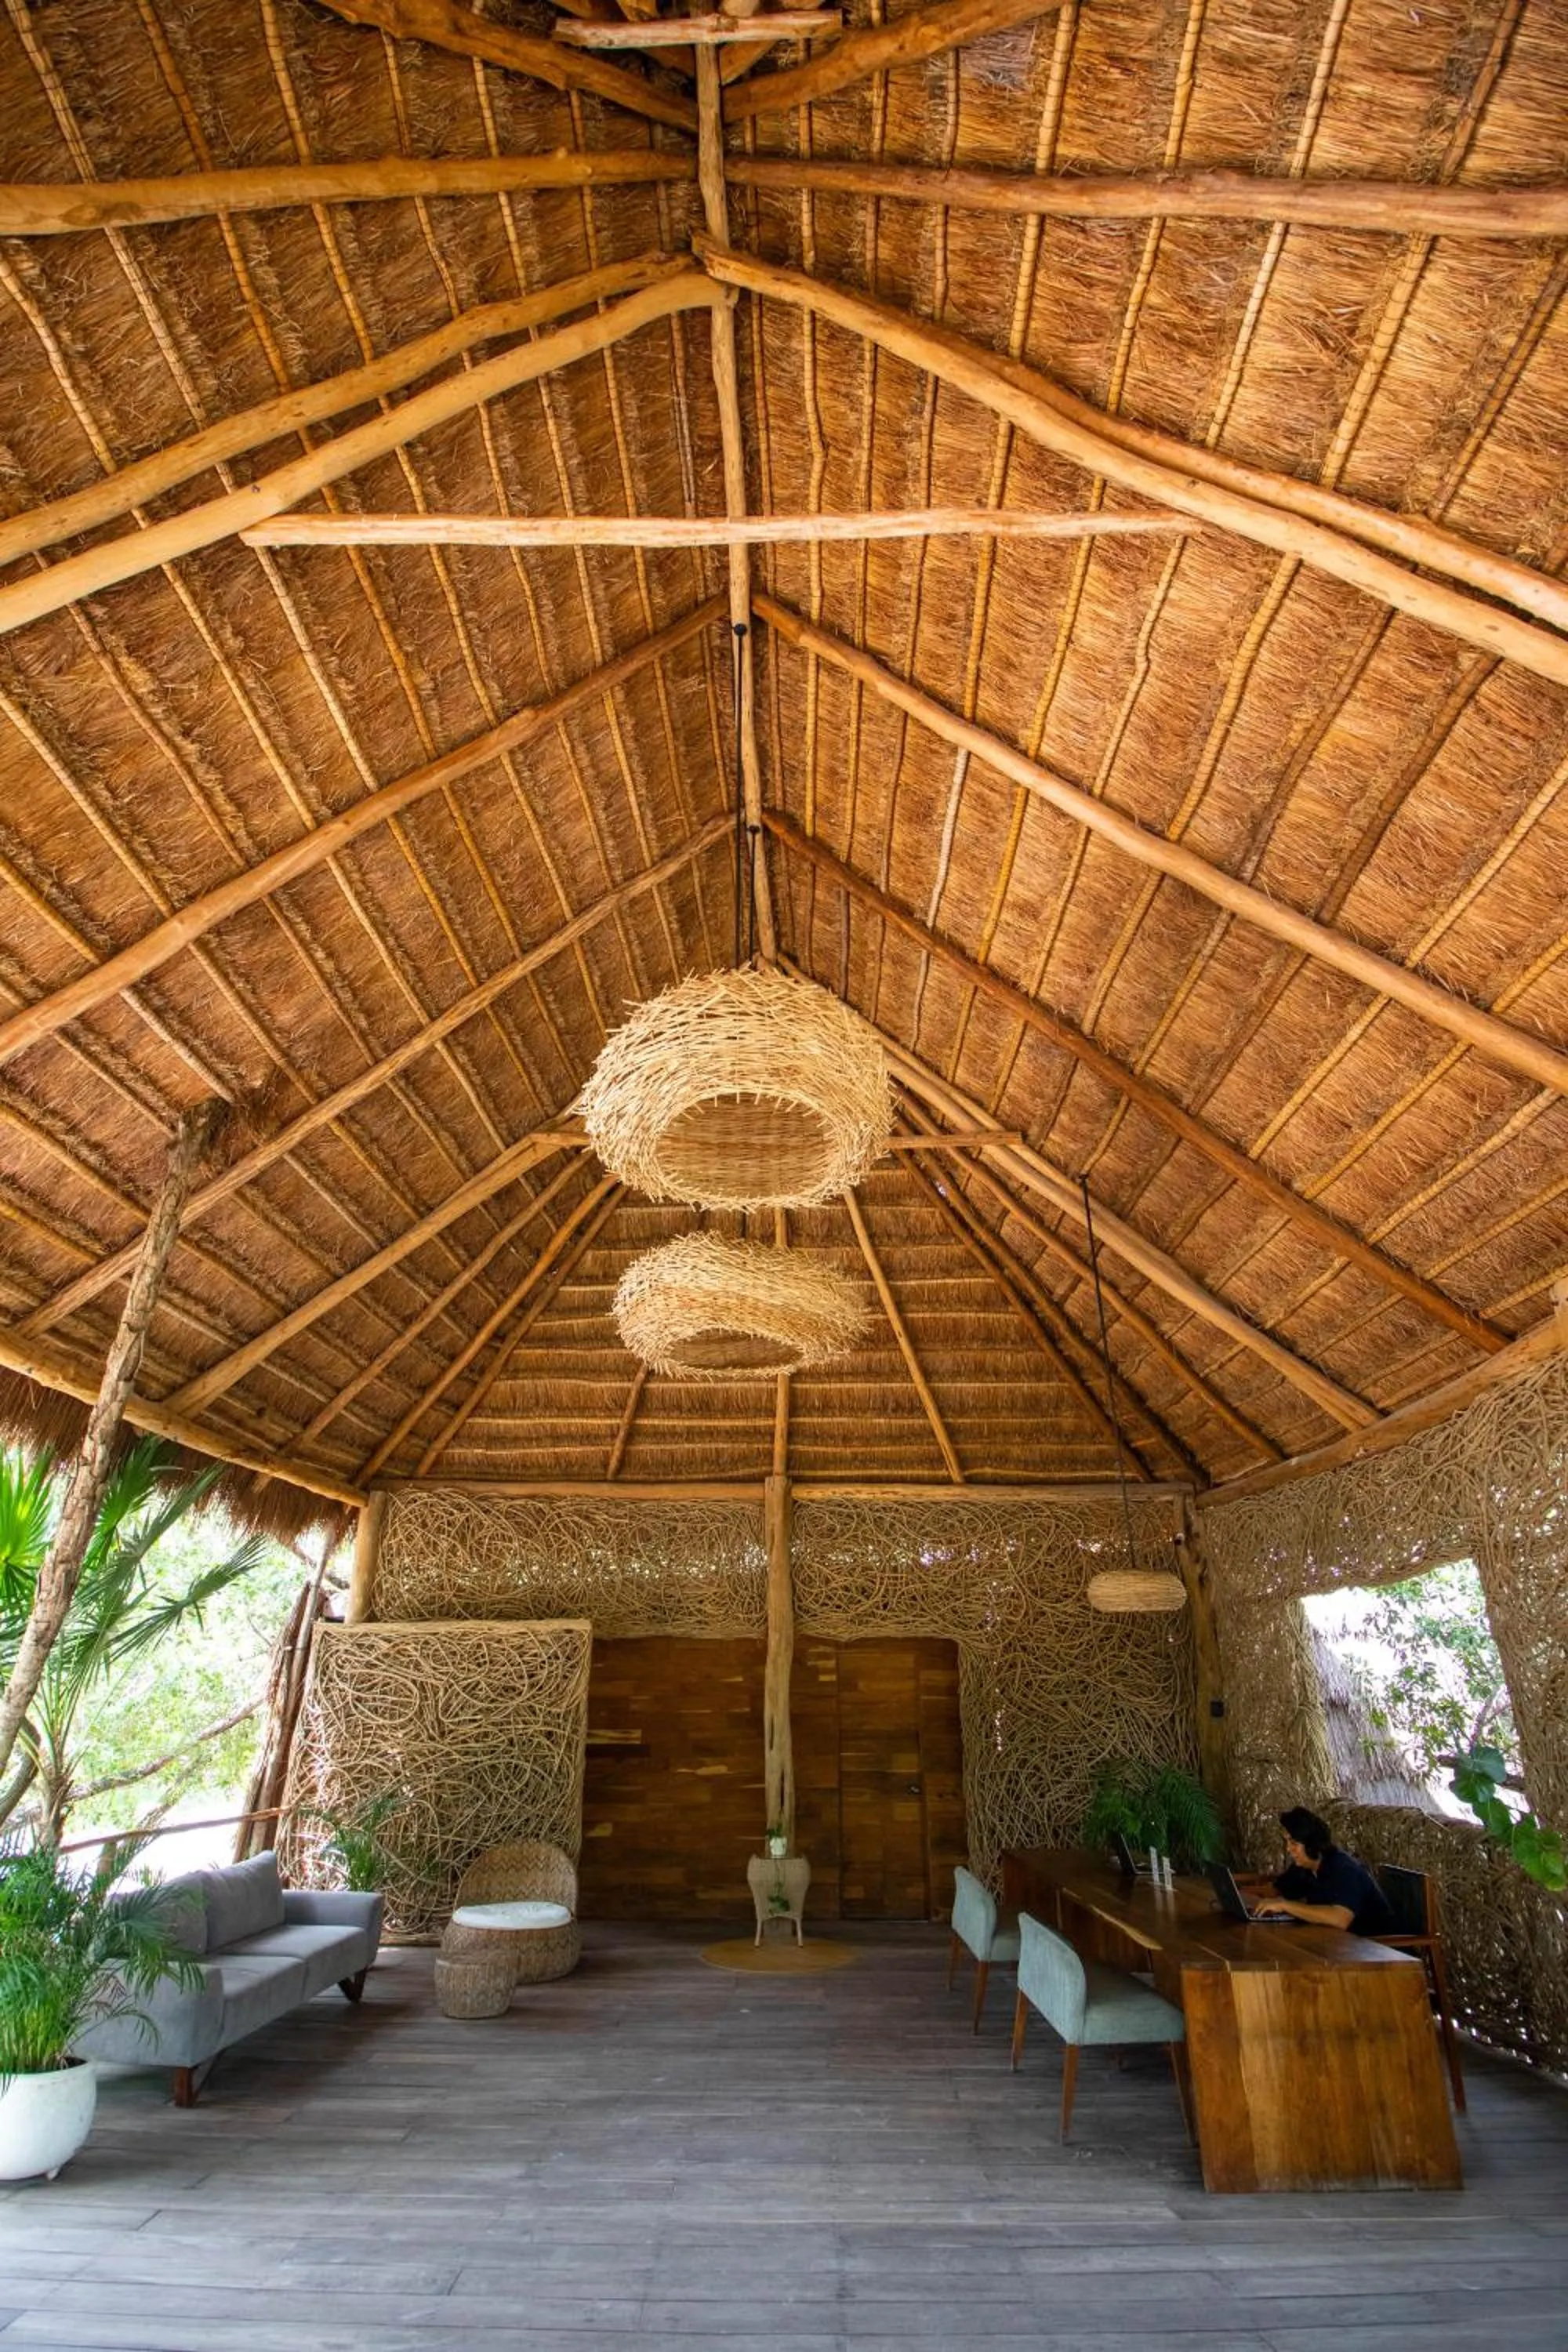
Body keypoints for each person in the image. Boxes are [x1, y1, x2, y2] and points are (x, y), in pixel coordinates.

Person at [1258, 1806, 1396, 1935]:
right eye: (1287, 1842)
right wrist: (1241, 1897)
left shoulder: (1344, 1869)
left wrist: (1285, 1905)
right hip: (1338, 1945)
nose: (1288, 1849)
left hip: (1378, 1950)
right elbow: (1276, 1890)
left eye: (1294, 1843)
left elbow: (1340, 1919)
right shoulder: (1305, 1867)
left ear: (1312, 1844)